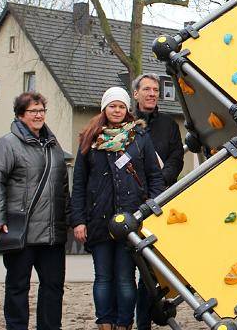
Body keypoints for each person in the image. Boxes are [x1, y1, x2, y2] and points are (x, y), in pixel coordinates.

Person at [72, 86, 165, 330]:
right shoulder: (90, 139)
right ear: (104, 108)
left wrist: (150, 209)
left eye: (121, 106)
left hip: (131, 219)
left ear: (127, 109)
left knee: (125, 278)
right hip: (99, 219)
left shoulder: (139, 138)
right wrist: (78, 220)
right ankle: (105, 322)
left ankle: (124, 323)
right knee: (103, 278)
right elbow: (79, 183)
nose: (117, 110)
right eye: (112, 106)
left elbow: (154, 176)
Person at [0, 92, 70, 330]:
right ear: (20, 115)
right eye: (33, 111)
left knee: (53, 286)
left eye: (41, 110)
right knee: (17, 286)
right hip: (21, 231)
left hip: (52, 233)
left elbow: (63, 187)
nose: (38, 115)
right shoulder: (7, 144)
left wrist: (68, 220)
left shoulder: (53, 145)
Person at [131, 73, 184, 330]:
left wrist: (159, 181)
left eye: (155, 90)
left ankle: (144, 323)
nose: (152, 94)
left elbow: (176, 157)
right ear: (136, 94)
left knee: (150, 270)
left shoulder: (168, 125)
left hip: (159, 201)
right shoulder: (126, 123)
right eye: (147, 90)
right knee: (126, 270)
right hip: (131, 201)